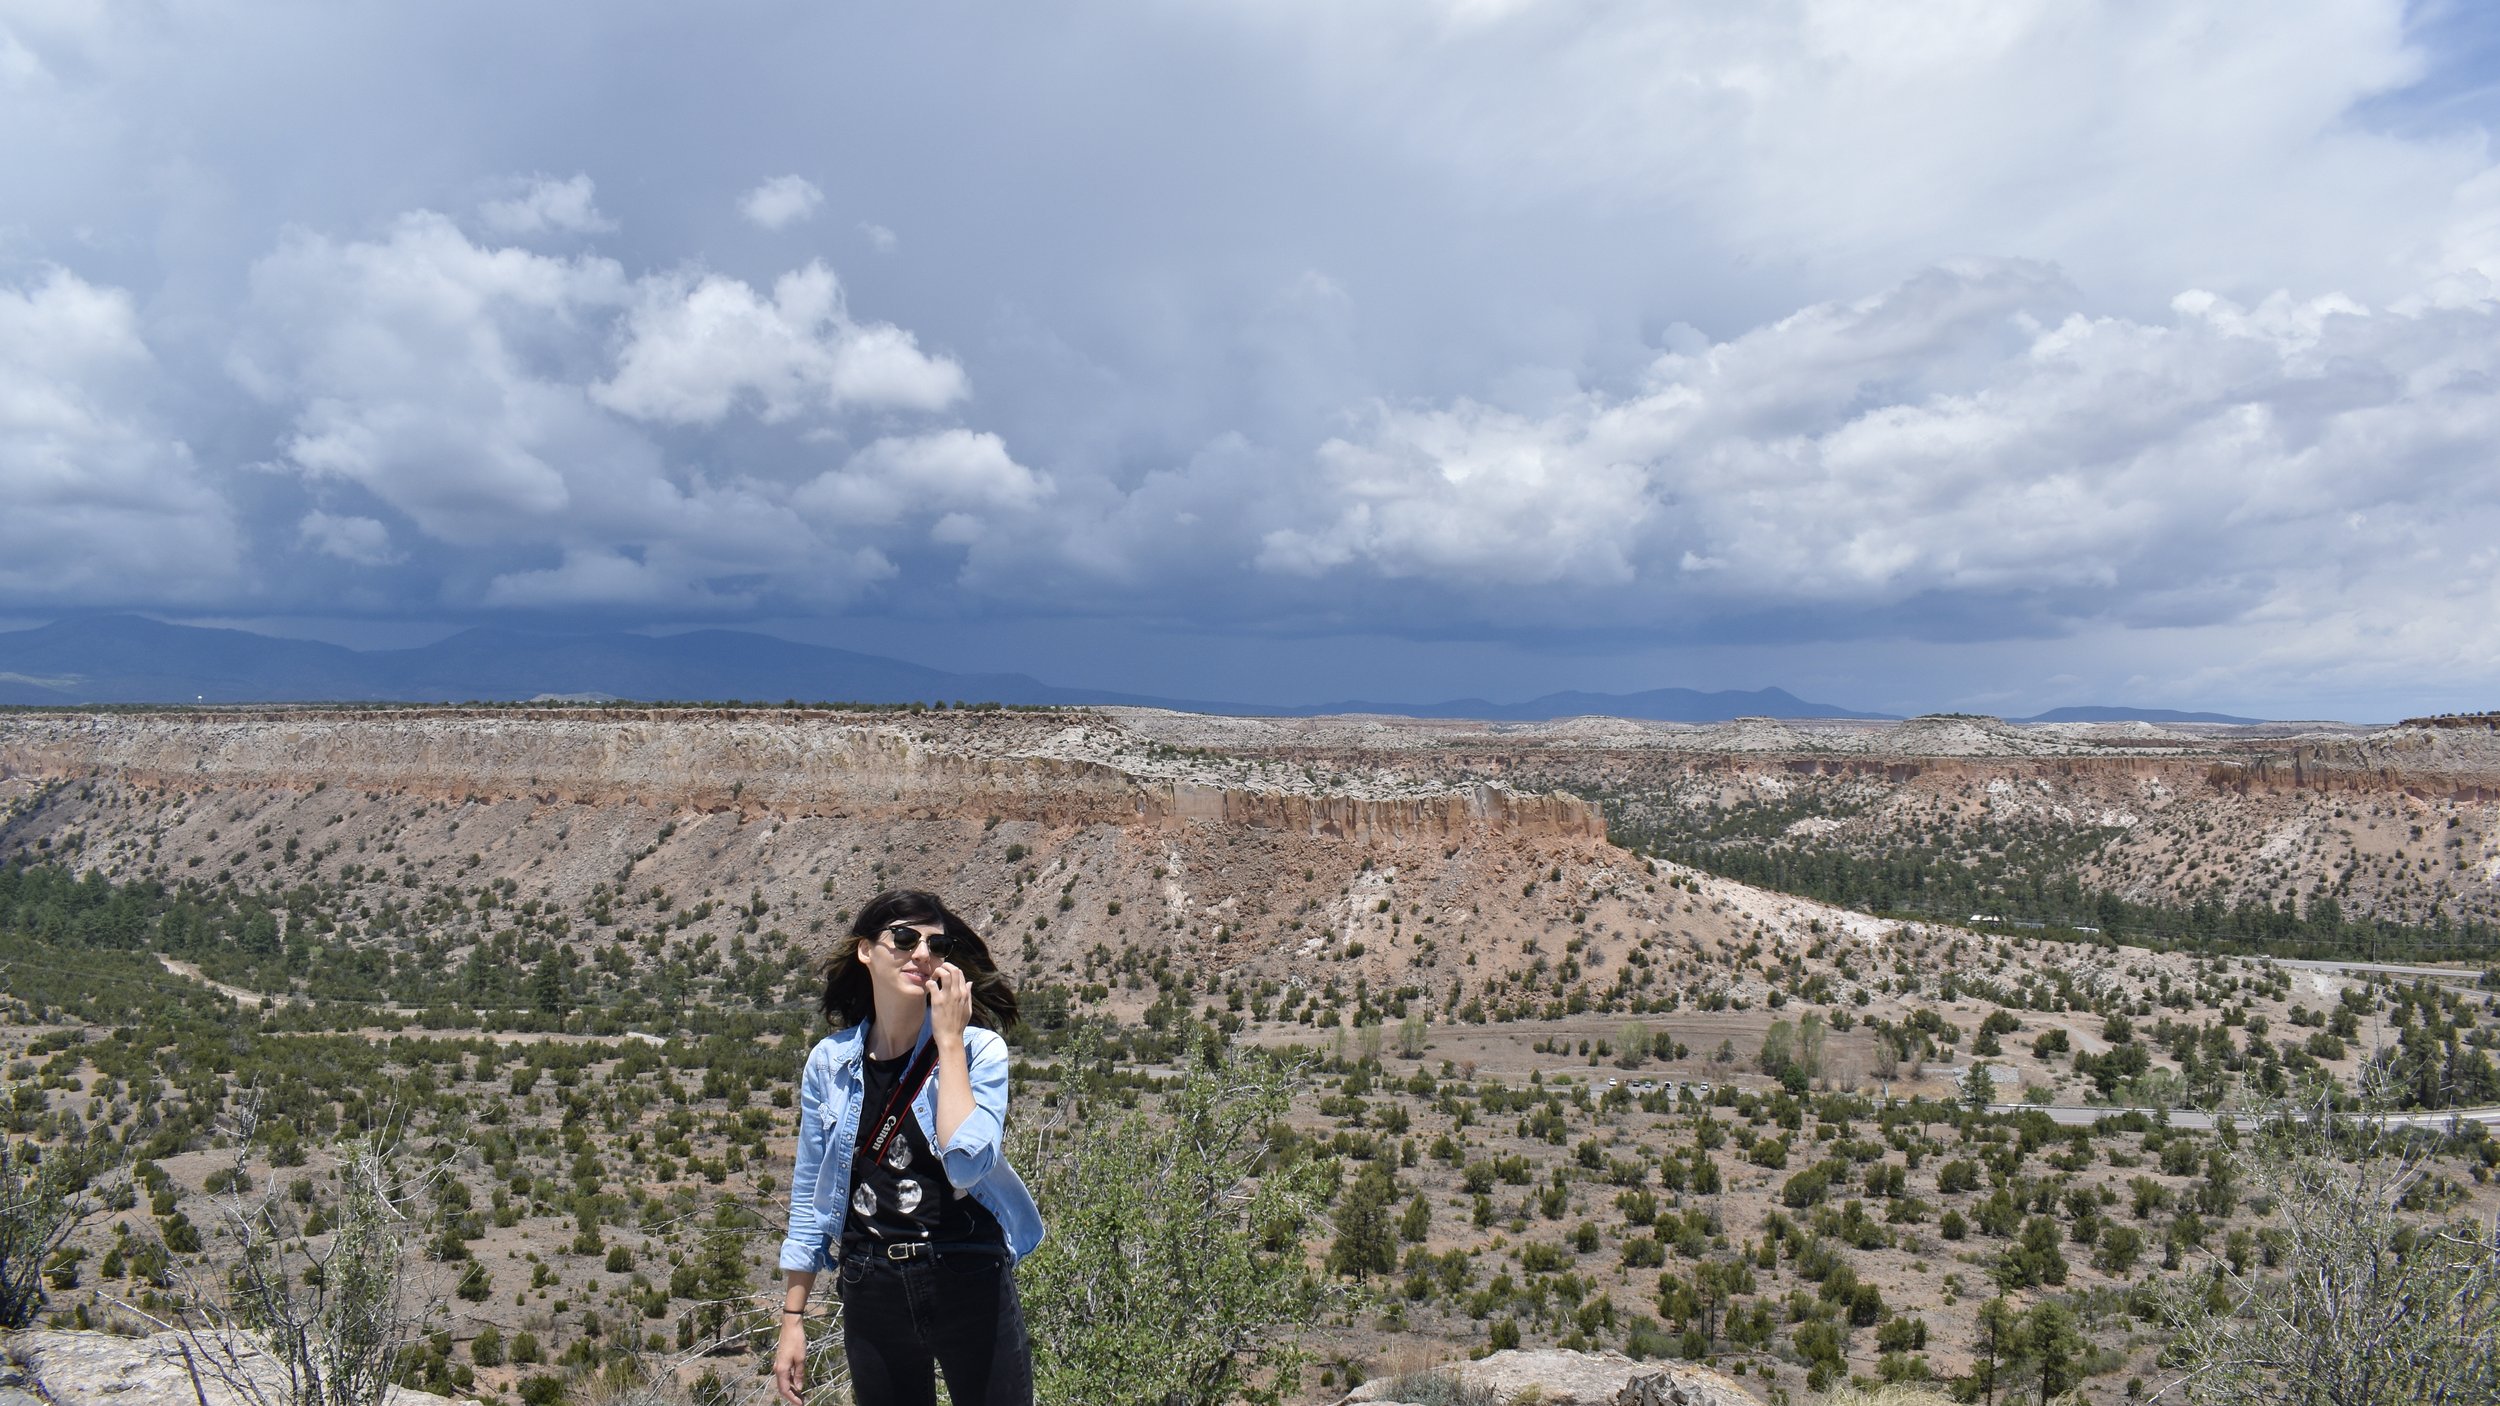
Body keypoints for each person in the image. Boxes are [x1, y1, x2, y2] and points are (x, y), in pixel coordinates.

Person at [774, 890, 1043, 1406]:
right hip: (869, 1284)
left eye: (935, 944)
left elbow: (966, 1164)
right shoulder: (829, 1065)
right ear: (865, 951)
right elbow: (809, 1196)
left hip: (968, 1276)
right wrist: (793, 1319)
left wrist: (947, 1043)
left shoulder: (978, 1050)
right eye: (902, 938)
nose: (921, 953)